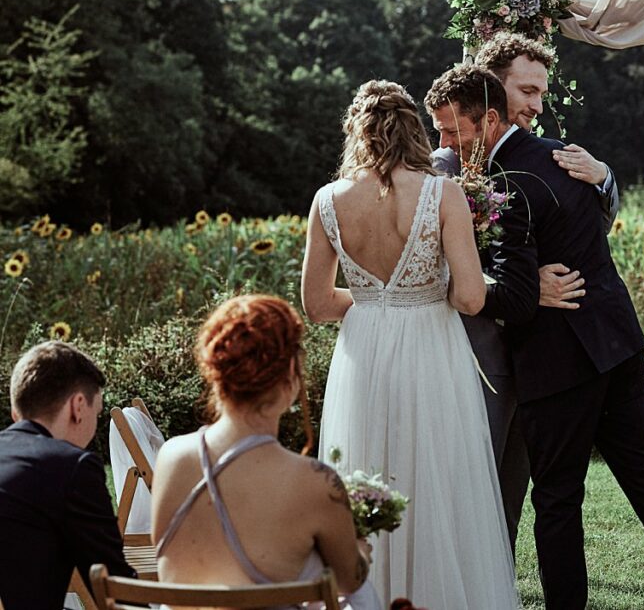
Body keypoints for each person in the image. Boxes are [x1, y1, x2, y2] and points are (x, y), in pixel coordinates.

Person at [425, 65, 644, 610]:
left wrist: (472, 289)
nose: (442, 143)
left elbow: (511, 297)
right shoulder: (563, 155)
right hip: (615, 338)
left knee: (558, 500)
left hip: (559, 361)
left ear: (488, 120)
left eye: (449, 130)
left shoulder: (502, 183)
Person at [303, 80, 518, 608]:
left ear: (356, 132)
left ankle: (371, 596)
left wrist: (373, 302)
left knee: (367, 472)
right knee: (437, 478)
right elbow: (470, 297)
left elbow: (317, 305)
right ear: (413, 130)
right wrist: (418, 295)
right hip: (430, 348)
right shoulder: (441, 191)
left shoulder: (328, 201)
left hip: (365, 353)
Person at [431, 31, 620, 551]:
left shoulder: (551, 155)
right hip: (477, 349)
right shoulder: (448, 161)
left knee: (516, 480)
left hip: (536, 351)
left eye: (542, 93)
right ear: (493, 90)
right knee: (473, 477)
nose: (537, 106)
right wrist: (518, 284)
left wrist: (605, 177)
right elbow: (431, 260)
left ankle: (500, 581)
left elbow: (591, 224)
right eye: (527, 92)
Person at [151, 295, 371, 597]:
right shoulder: (315, 482)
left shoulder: (171, 458)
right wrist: (360, 552)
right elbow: (350, 582)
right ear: (290, 380)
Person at [0, 341, 136, 610]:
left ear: (17, 414)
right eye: (97, 414)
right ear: (78, 406)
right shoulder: (72, 467)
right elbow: (116, 587)